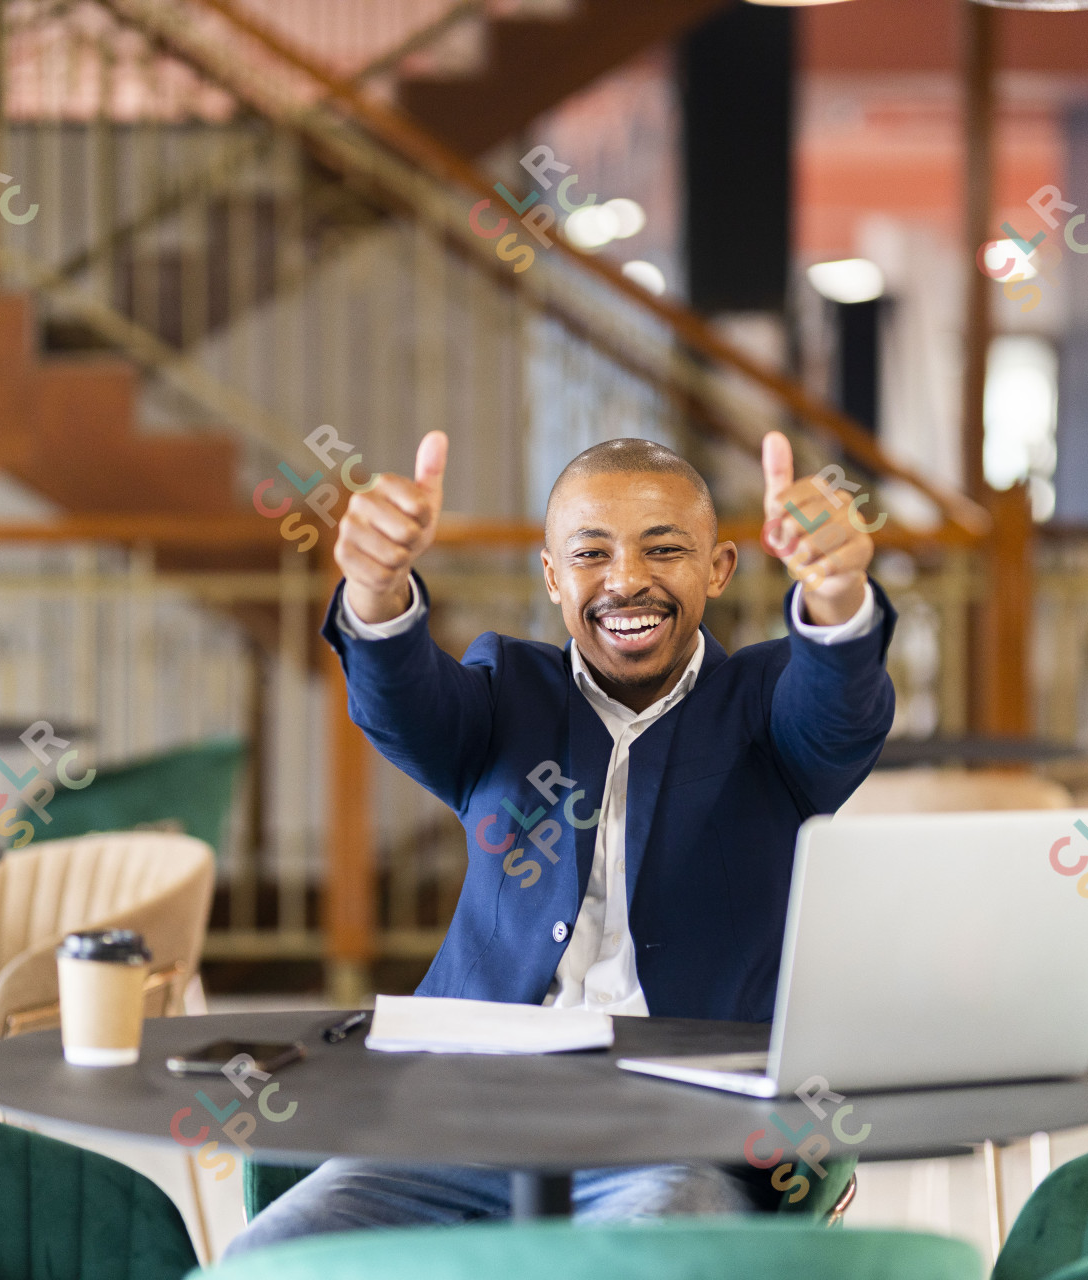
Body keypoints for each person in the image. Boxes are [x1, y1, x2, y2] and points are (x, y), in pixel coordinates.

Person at [224, 429, 895, 1255]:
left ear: (718, 569)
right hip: (463, 1115)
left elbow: (840, 707)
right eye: (590, 553)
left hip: (675, 1133)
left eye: (664, 549)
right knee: (272, 1258)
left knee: (641, 1262)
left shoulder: (764, 706)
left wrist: (836, 592)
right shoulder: (507, 691)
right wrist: (375, 588)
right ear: (551, 575)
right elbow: (401, 702)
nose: (626, 582)